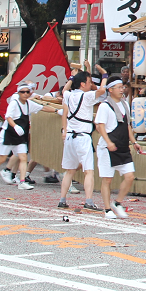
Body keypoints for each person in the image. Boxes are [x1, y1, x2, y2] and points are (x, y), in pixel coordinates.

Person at [0, 83, 56, 190]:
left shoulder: (29, 104)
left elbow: (42, 108)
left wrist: (57, 111)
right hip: (9, 134)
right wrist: (15, 126)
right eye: (23, 92)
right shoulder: (14, 103)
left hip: (21, 135)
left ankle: (22, 181)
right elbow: (8, 117)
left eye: (28, 92)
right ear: (18, 93)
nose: (26, 94)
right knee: (2, 159)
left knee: (23, 157)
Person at [58, 70, 107, 211]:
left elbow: (65, 90)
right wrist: (104, 76)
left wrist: (71, 77)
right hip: (83, 137)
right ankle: (89, 201)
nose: (91, 84)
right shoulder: (87, 96)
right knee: (88, 171)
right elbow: (102, 90)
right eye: (89, 82)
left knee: (69, 171)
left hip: (70, 136)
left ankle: (62, 200)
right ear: (82, 84)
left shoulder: (68, 95)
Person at [95, 76, 142, 219]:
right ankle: (107, 208)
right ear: (110, 90)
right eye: (119, 87)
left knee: (130, 176)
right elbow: (100, 126)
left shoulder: (124, 104)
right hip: (107, 147)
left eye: (123, 87)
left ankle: (118, 202)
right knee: (107, 179)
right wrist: (108, 141)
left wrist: (134, 142)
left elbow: (127, 125)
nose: (122, 90)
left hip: (122, 145)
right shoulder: (104, 105)